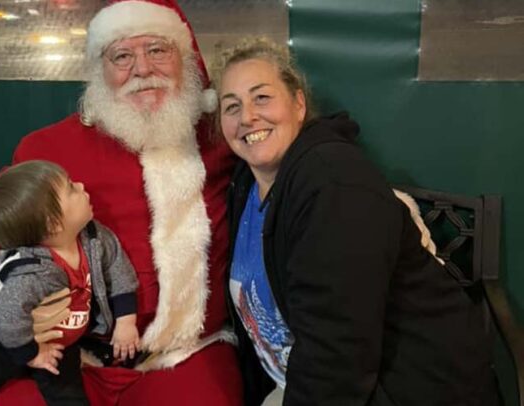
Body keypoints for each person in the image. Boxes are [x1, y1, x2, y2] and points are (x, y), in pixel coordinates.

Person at [0, 0, 242, 405]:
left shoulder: (223, 142)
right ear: (99, 70)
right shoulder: (48, 148)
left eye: (158, 50)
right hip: (69, 358)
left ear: (187, 59)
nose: (142, 69)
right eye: (122, 56)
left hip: (184, 355)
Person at [214, 38, 499, 405]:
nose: (247, 117)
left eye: (262, 98)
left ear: (299, 104)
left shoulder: (333, 184)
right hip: (297, 382)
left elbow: (337, 357)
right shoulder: (244, 186)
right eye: (231, 107)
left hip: (400, 390)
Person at [0, 160, 139, 405]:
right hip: (3, 342)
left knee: (70, 398)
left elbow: (117, 265)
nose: (82, 186)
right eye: (71, 188)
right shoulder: (33, 273)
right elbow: (7, 314)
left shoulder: (94, 236)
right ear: (53, 223)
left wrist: (126, 320)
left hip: (61, 340)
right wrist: (32, 353)